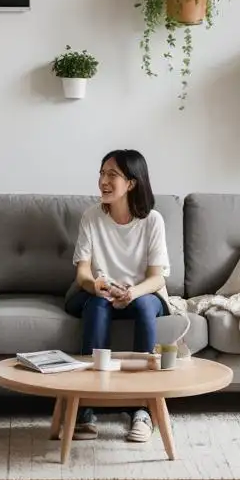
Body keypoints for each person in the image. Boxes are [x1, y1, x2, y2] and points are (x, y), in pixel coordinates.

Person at [65, 149, 170, 443]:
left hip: (142, 293)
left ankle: (142, 409)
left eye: (112, 175)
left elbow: (157, 277)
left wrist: (132, 292)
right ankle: (85, 407)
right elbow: (82, 273)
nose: (103, 181)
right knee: (97, 304)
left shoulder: (152, 221)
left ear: (132, 183)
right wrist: (95, 285)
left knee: (144, 307)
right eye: (101, 173)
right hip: (100, 292)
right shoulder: (91, 217)